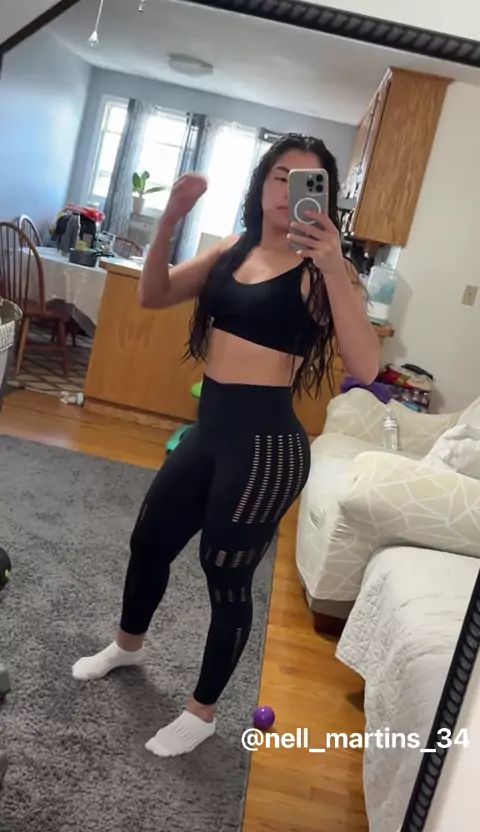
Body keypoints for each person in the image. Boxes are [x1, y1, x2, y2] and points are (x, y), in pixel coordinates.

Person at [72, 134, 379, 757]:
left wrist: (333, 265)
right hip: (208, 432)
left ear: (322, 198)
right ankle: (128, 646)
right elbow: (154, 294)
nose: (287, 190)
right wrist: (171, 220)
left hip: (266, 450)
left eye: (306, 181)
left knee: (226, 576)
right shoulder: (230, 251)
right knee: (149, 541)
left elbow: (367, 366)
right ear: (261, 183)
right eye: (279, 175)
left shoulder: (325, 273)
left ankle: (203, 712)